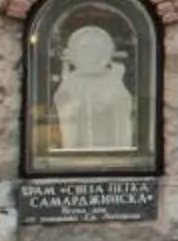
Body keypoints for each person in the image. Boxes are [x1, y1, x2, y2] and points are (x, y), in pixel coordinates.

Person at [54, 23, 135, 156]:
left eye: (93, 50)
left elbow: (123, 107)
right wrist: (73, 105)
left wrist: (107, 101)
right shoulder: (71, 80)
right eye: (84, 50)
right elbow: (62, 105)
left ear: (102, 53)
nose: (89, 54)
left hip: (109, 141)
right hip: (78, 145)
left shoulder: (115, 77)